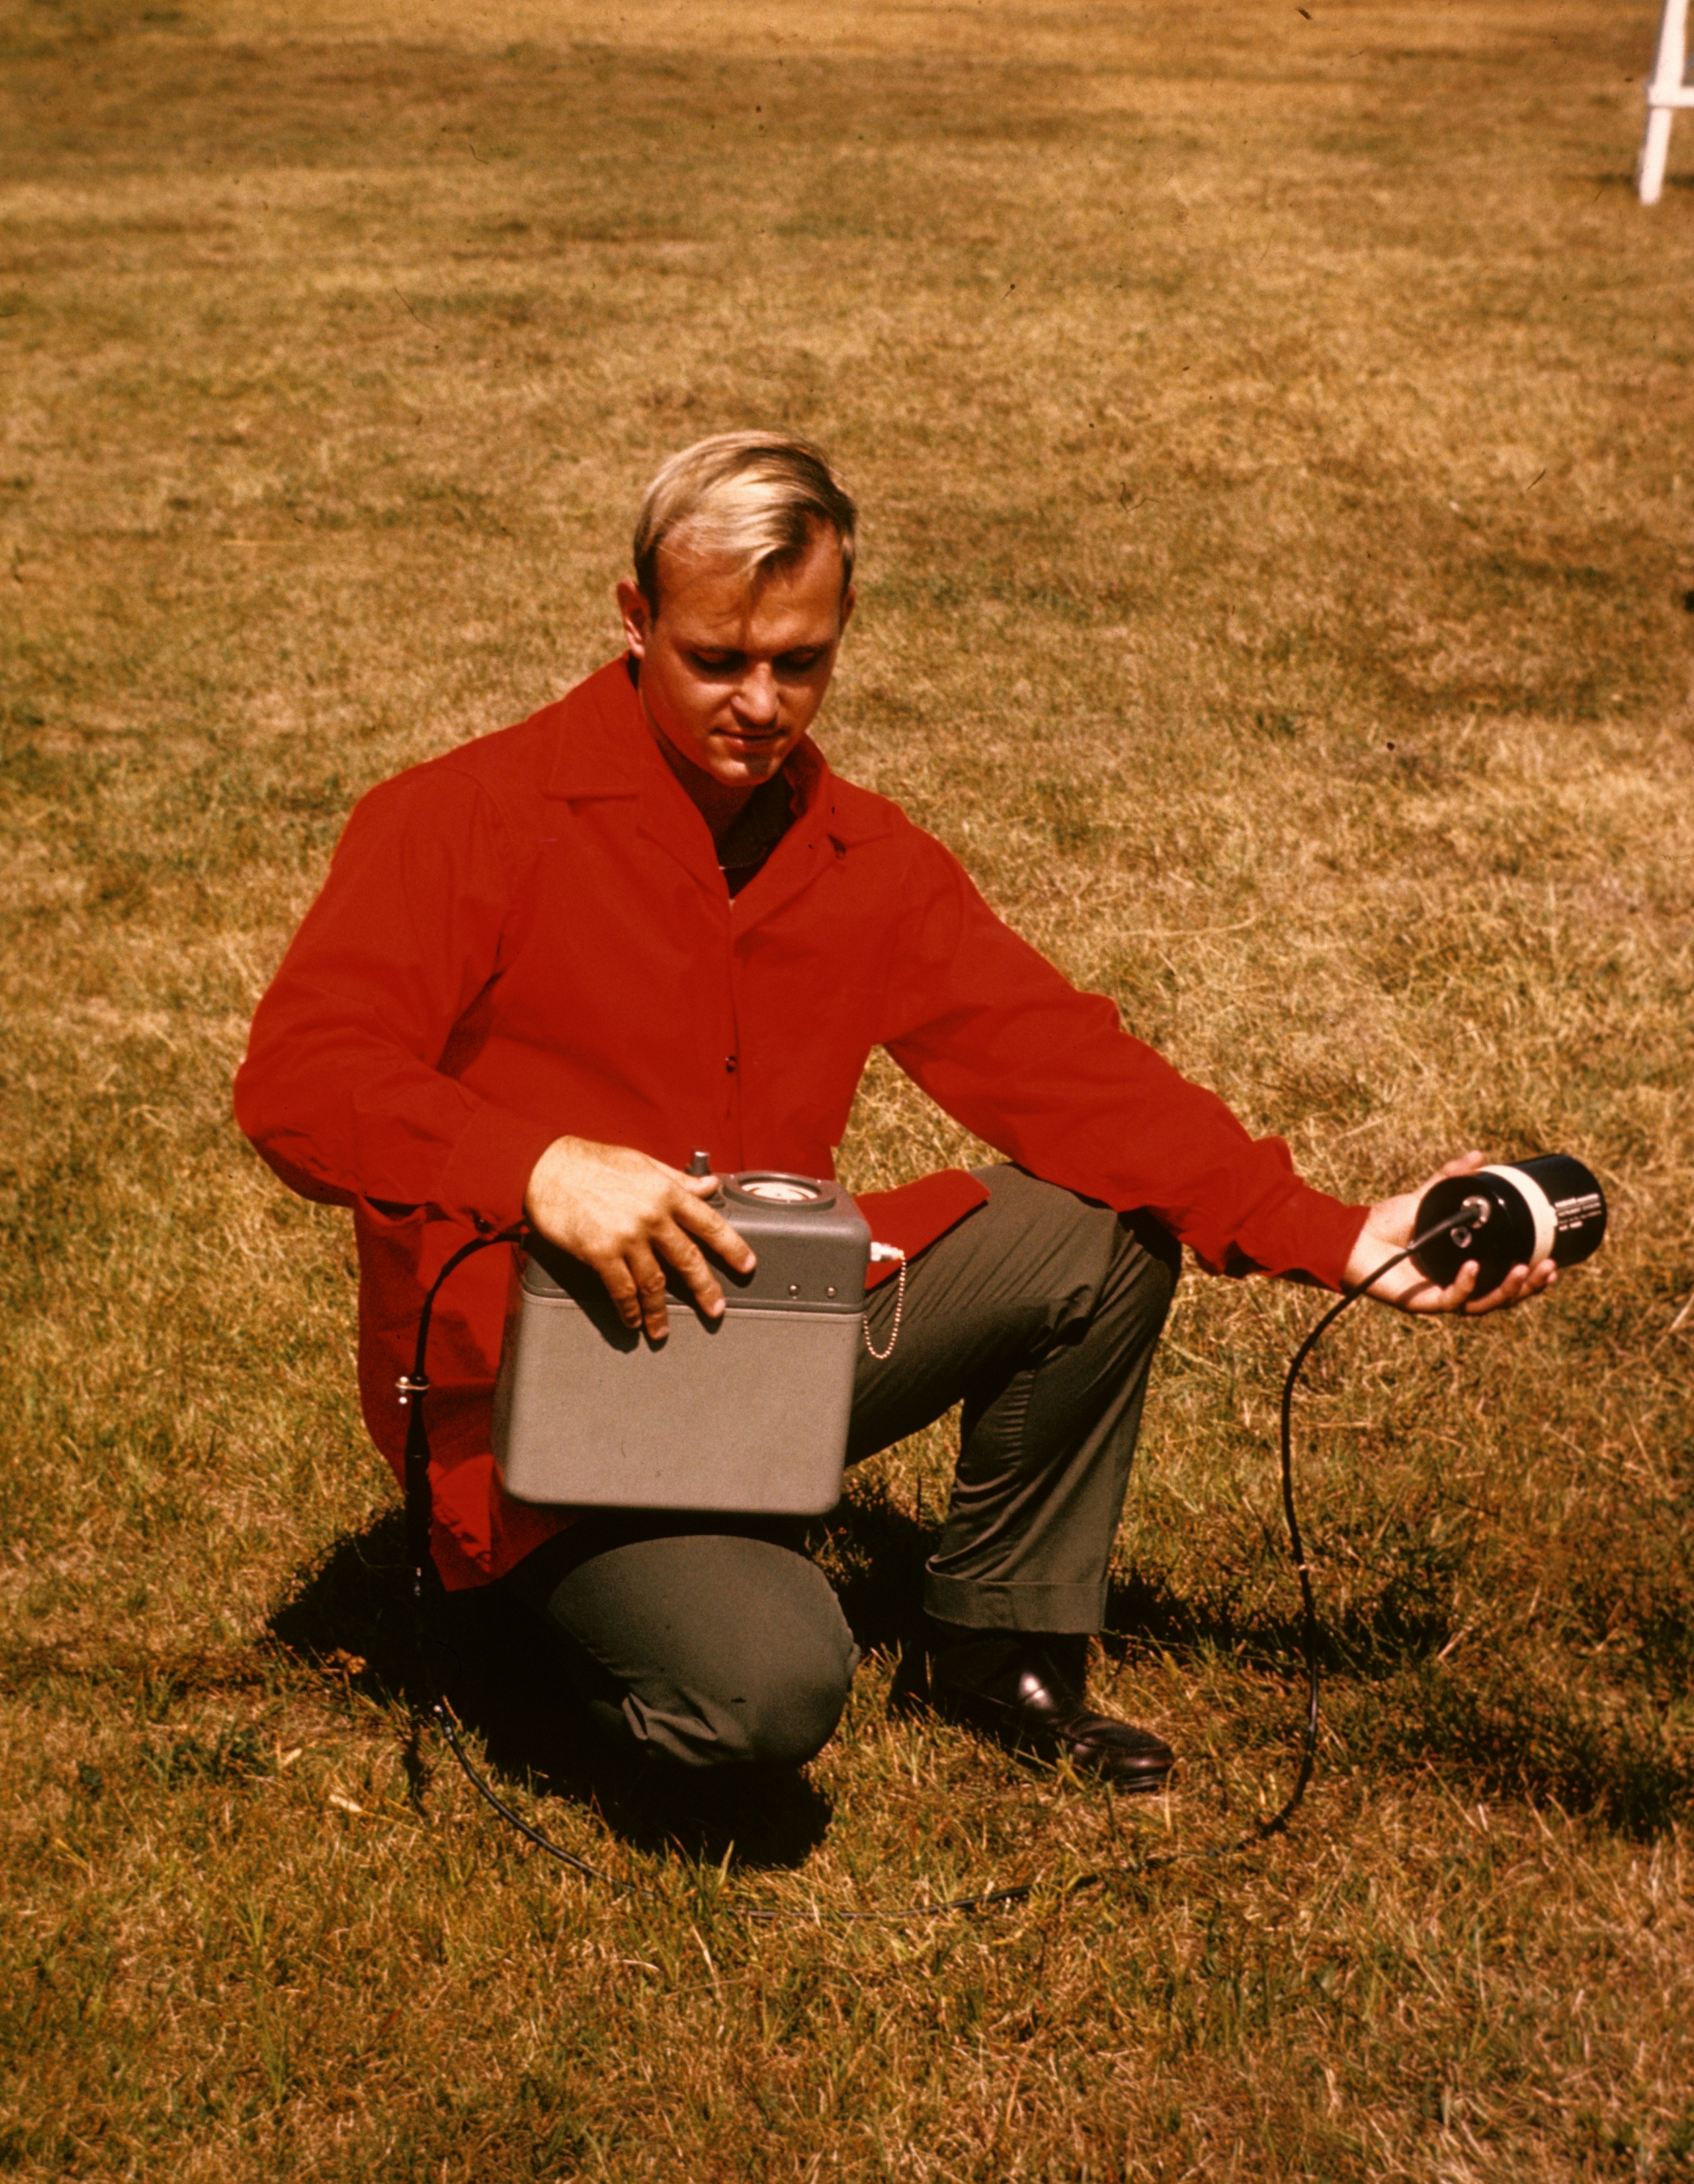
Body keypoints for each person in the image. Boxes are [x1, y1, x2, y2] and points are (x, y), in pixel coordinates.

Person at [235, 432, 1553, 1794]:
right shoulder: (464, 816)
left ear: (844, 627)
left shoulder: (865, 855)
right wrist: (538, 1166)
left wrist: (1335, 1234)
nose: (761, 704)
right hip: (539, 1410)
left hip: (759, 1335)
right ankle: (516, 1637)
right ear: (635, 620)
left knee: (1093, 1235)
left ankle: (995, 1651)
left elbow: (1064, 1067)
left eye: (800, 662)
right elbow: (297, 1079)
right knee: (763, 1693)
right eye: (716, 659)